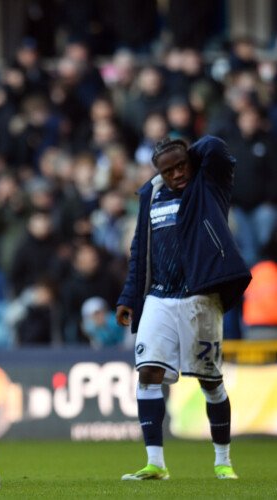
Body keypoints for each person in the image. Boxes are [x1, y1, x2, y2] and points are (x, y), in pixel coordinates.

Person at [116, 136, 252, 481]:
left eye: (182, 165)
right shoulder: (152, 195)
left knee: (209, 380)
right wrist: (129, 298)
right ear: (158, 173)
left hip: (200, 297)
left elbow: (218, 148)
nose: (177, 173)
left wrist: (188, 153)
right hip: (160, 297)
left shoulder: (209, 186)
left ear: (191, 161)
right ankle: (155, 463)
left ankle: (223, 460)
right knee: (147, 373)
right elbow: (139, 252)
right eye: (168, 169)